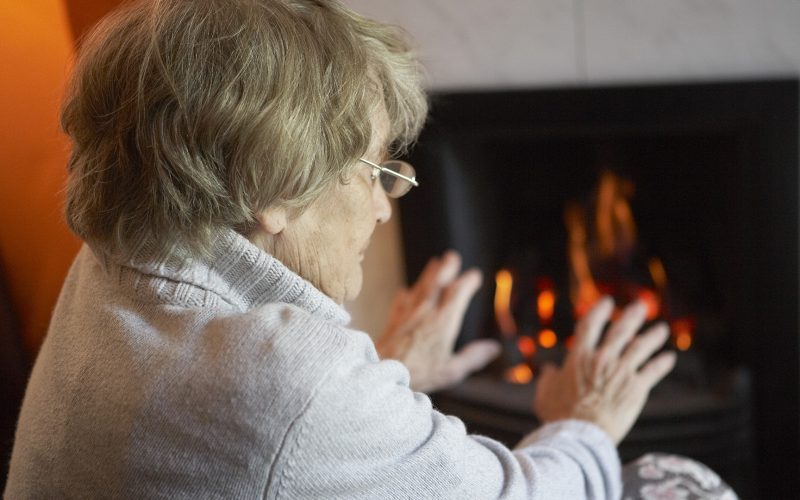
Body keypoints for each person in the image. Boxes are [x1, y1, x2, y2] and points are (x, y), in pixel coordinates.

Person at [5, 1, 735, 498]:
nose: (389, 205)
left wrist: (384, 375)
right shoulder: (289, 377)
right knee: (678, 479)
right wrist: (584, 417)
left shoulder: (111, 268)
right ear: (273, 187)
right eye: (379, 170)